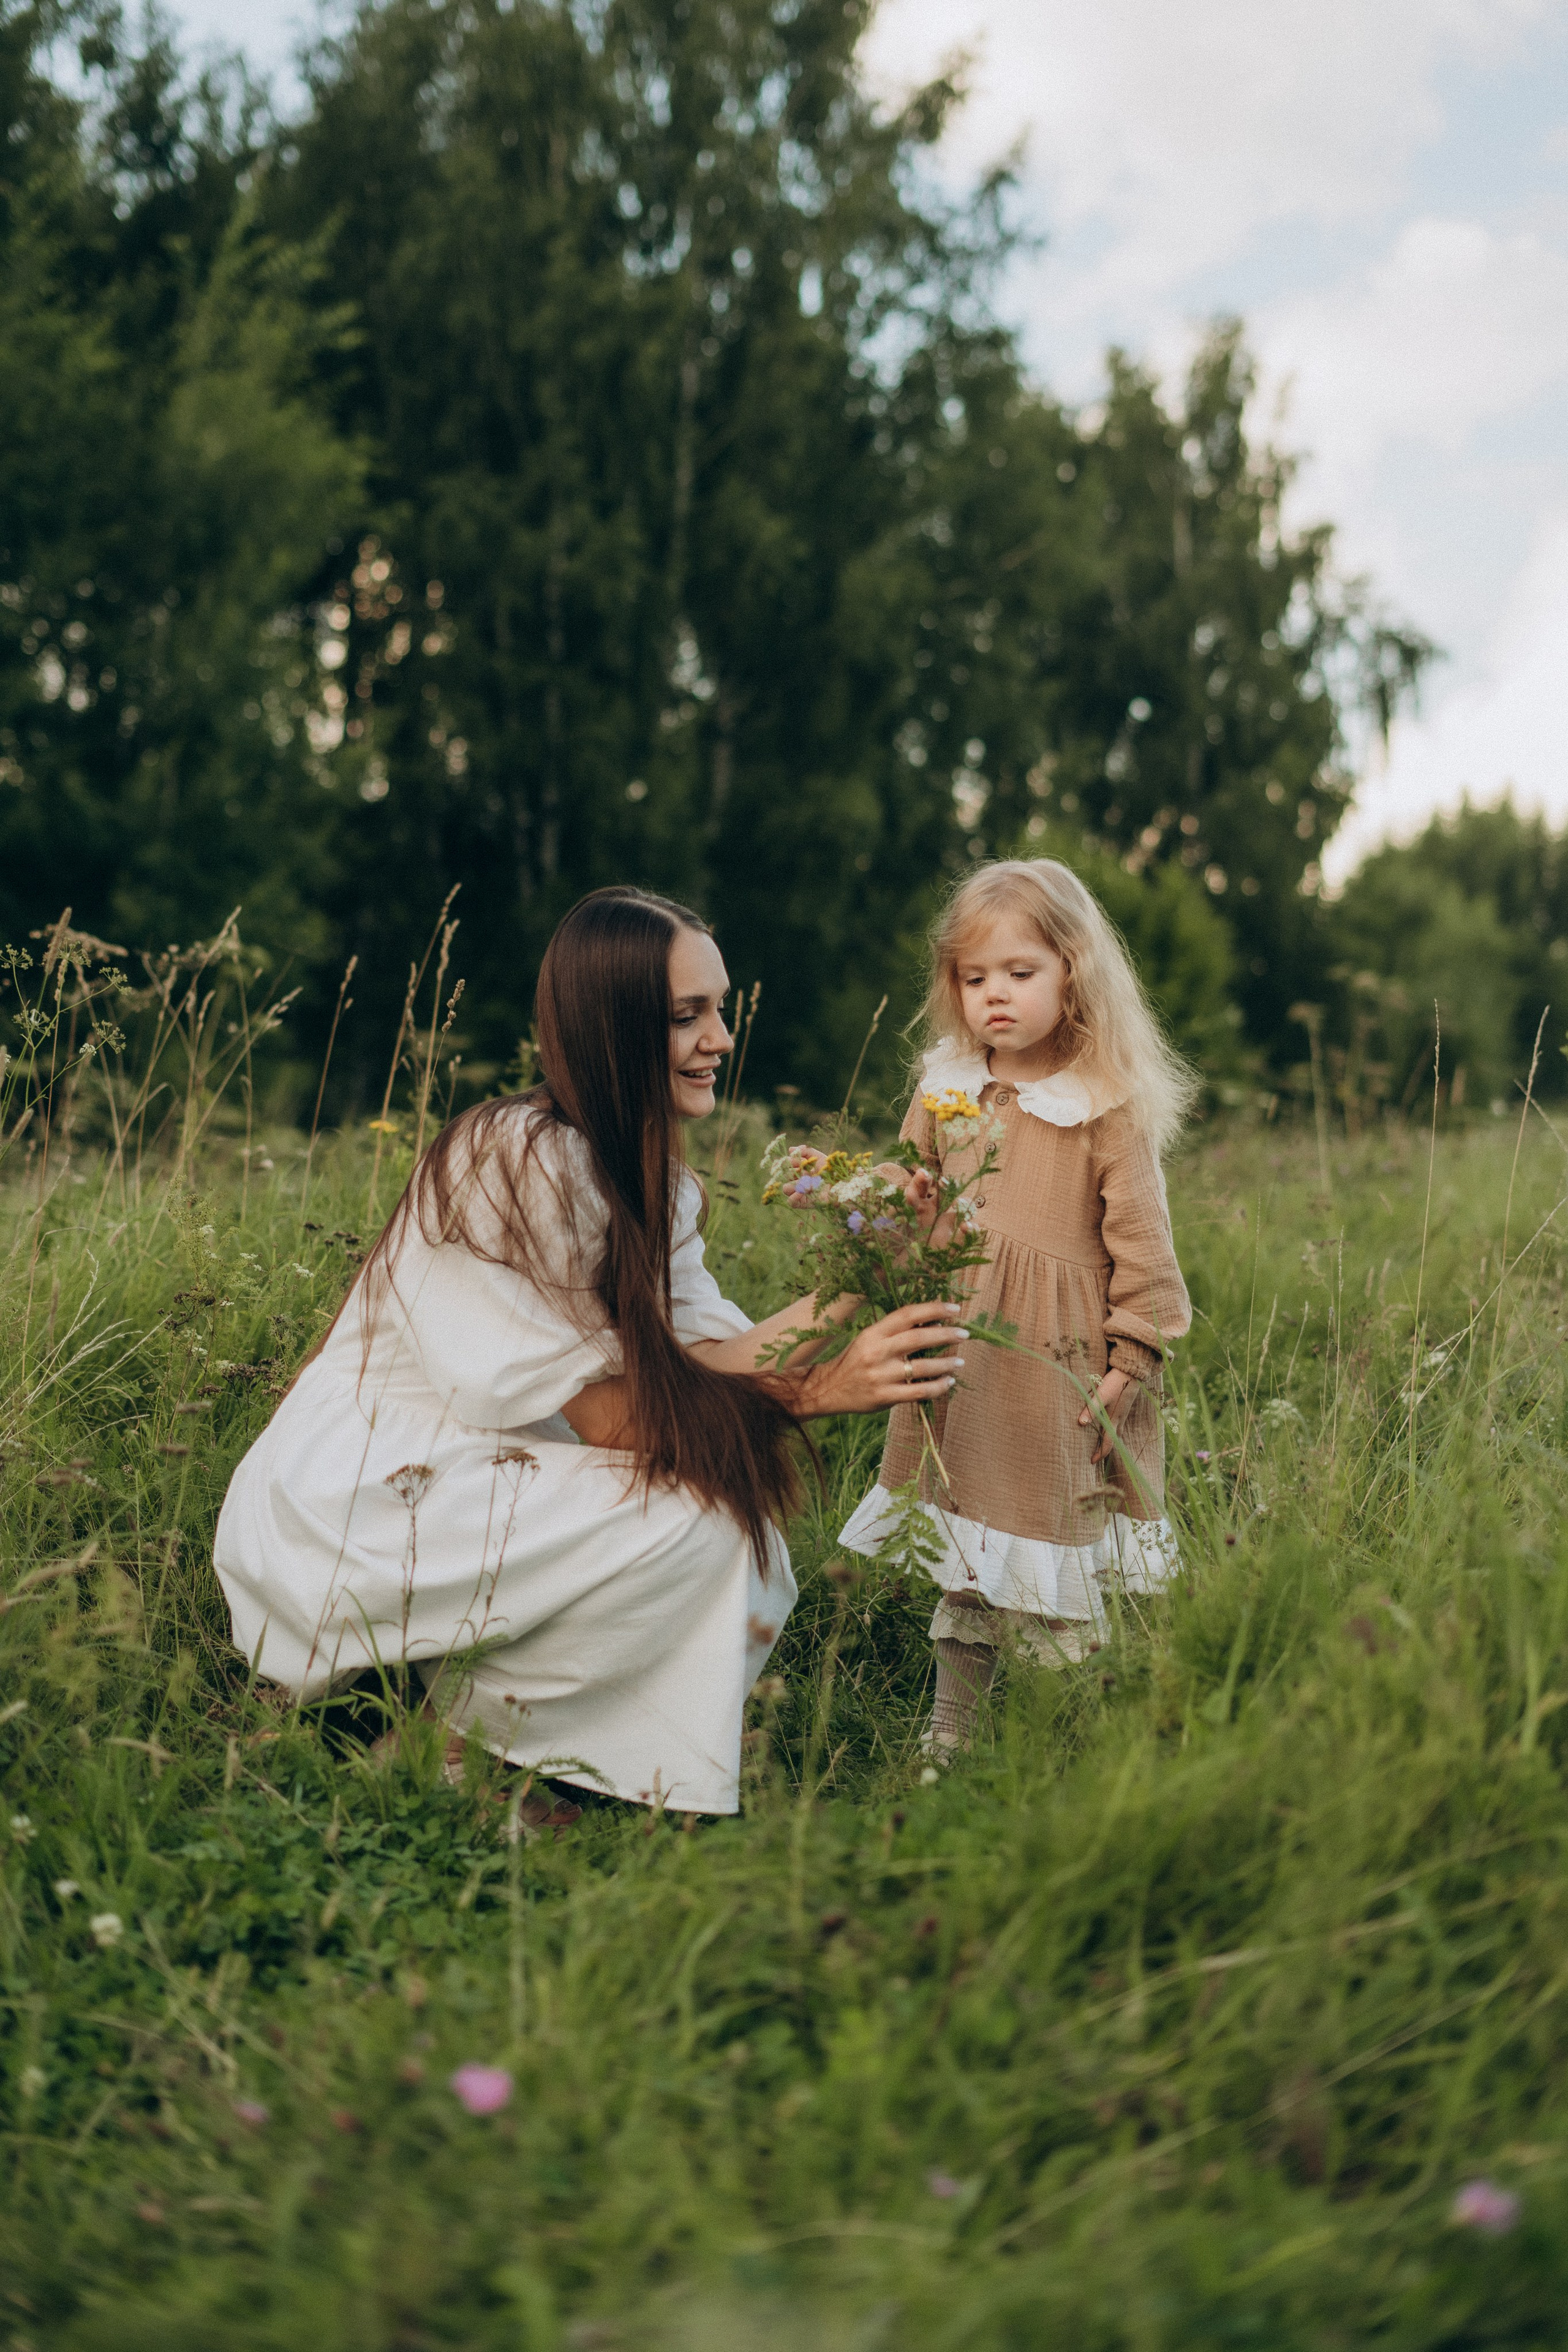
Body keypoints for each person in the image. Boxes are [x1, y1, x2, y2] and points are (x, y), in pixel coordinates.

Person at [216, 887, 964, 1817]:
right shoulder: (514, 1156)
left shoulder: (654, 1180)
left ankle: (492, 1735)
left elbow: (715, 1356)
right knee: (699, 1527)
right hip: (371, 1492)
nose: (721, 1038)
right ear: (614, 1028)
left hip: (486, 1473)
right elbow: (611, 1417)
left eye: (720, 1008)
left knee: (742, 1540)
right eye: (687, 1016)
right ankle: (447, 1740)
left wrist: (866, 1258)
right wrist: (814, 1394)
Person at [838, 858, 1195, 1754]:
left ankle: (1053, 1740)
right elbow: (912, 1186)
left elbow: (1143, 1246)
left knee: (1047, 1553)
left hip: (1051, 1362)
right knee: (967, 1557)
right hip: (963, 1356)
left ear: (1072, 971)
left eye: (1020, 973)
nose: (994, 995)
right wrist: (862, 1213)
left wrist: (1136, 1354)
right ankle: (950, 1732)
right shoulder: (949, 1083)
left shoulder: (1103, 1106)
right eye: (974, 976)